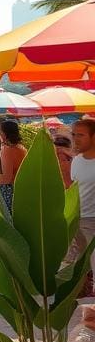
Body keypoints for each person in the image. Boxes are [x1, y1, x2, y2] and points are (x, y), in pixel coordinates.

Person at [70, 119, 95, 292]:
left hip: (92, 220)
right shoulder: (76, 161)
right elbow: (74, 190)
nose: (76, 139)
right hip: (79, 219)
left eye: (81, 135)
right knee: (78, 262)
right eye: (73, 134)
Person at [0, 120, 27, 213]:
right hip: (20, 188)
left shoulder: (8, 150)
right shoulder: (20, 148)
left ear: (3, 134)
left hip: (9, 191)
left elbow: (6, 178)